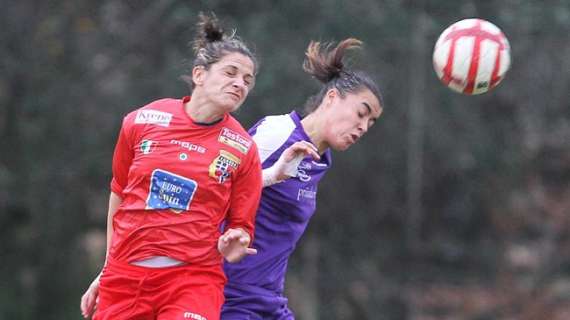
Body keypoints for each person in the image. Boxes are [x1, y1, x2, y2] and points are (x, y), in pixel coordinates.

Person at [80, 13, 262, 320]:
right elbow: (120, 194)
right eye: (230, 72)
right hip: (125, 278)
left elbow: (242, 224)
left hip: (193, 281)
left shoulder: (243, 148)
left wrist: (238, 239)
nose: (239, 84)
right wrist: (108, 267)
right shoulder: (141, 121)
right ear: (199, 75)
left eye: (247, 80)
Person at [221, 38, 384, 319]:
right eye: (361, 113)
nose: (363, 127)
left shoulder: (320, 160)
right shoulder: (278, 132)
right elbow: (217, 185)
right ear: (332, 97)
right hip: (232, 297)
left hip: (268, 301)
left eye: (370, 122)